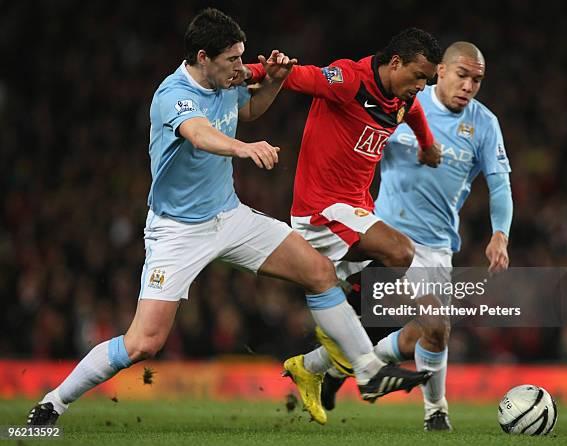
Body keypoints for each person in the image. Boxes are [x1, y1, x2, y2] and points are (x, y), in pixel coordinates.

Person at [26, 8, 430, 426]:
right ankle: (53, 402)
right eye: (233, 60)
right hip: (178, 231)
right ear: (203, 57)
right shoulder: (173, 94)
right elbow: (199, 133)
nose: (241, 68)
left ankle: (365, 372)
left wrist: (271, 83)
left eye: (242, 58)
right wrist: (245, 148)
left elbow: (248, 112)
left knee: (320, 271)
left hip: (229, 216)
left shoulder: (225, 83)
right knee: (143, 343)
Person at [307, 41, 513, 431]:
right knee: (431, 326)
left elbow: (499, 185)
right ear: (440, 71)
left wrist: (499, 234)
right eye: (462, 75)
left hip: (435, 247)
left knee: (425, 332)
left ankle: (334, 370)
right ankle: (436, 411)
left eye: (477, 80)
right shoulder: (402, 102)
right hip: (384, 241)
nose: (469, 85)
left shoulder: (484, 124)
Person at [245, 28, 444, 422]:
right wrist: (250, 72)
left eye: (428, 80)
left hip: (355, 213)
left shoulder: (403, 100)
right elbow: (297, 76)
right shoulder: (349, 80)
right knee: (401, 251)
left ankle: (311, 367)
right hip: (321, 211)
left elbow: (414, 115)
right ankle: (361, 365)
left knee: (382, 304)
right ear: (395, 63)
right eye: (418, 76)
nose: (421, 87)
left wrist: (427, 145)